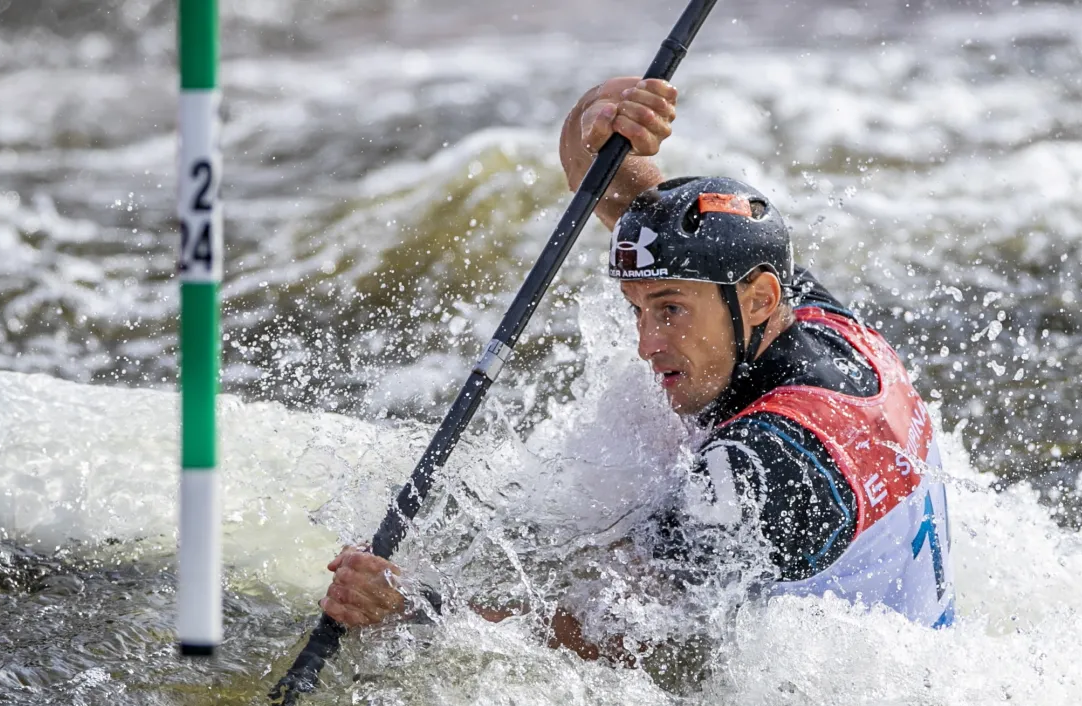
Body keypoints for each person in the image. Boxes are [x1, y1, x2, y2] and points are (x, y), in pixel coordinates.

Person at [318, 75, 955, 657]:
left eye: (671, 310)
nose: (648, 343)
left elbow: (607, 632)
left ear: (759, 299)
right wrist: (600, 121)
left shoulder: (769, 462)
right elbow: (620, 197)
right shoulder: (815, 322)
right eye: (637, 310)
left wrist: (417, 609)